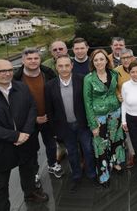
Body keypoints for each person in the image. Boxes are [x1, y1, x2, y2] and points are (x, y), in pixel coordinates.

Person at [0, 59, 49, 210]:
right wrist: (15, 136)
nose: (7, 74)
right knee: (0, 183)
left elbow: (32, 108)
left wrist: (25, 132)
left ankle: (30, 193)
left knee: (28, 171)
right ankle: (2, 207)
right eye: (2, 71)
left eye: (9, 70)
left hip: (25, 140)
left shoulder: (22, 88)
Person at [45, 55, 96, 193]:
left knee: (88, 150)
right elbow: (50, 110)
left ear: (72, 65)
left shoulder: (82, 80)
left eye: (67, 65)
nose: (64, 69)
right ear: (56, 67)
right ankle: (77, 176)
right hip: (65, 127)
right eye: (60, 66)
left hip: (83, 125)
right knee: (72, 153)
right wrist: (54, 131)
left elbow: (89, 101)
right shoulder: (50, 86)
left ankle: (92, 174)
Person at [13, 48, 63, 185]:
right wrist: (34, 118)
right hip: (28, 121)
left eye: (36, 58)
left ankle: (53, 165)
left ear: (40, 59)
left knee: (51, 144)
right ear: (23, 61)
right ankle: (34, 172)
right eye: (29, 59)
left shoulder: (48, 73)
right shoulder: (16, 79)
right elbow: (15, 105)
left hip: (48, 118)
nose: (33, 61)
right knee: (31, 148)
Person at [83, 49, 125, 188]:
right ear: (92, 63)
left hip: (115, 113)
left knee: (116, 140)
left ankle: (116, 163)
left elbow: (117, 89)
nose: (99, 62)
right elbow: (87, 103)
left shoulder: (114, 74)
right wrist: (92, 124)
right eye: (96, 60)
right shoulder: (88, 78)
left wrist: (119, 96)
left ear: (107, 60)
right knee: (100, 146)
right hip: (98, 117)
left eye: (102, 59)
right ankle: (104, 174)